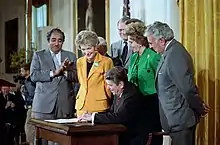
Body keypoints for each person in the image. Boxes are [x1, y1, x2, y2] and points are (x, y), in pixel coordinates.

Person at [146, 21, 209, 145]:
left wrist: (199, 107)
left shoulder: (176, 54)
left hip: (181, 120)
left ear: (162, 41)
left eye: (151, 43)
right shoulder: (169, 52)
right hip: (175, 120)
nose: (151, 47)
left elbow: (187, 88)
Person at [79, 66, 152, 145]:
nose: (108, 88)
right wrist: (93, 115)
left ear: (120, 84)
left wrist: (94, 117)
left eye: (110, 85)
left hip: (134, 138)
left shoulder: (131, 96)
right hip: (122, 135)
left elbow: (119, 117)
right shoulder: (119, 91)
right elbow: (111, 112)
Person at [30, 28, 77, 145]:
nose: (56, 43)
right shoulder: (39, 55)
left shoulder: (70, 56)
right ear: (48, 41)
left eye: (60, 40)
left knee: (62, 141)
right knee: (43, 140)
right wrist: (54, 73)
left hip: (64, 105)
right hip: (44, 106)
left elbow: (77, 77)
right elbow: (33, 76)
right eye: (53, 40)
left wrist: (65, 72)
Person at [125, 20, 163, 145]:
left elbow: (162, 80)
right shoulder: (133, 57)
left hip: (151, 103)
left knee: (150, 138)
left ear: (140, 41)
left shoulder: (153, 56)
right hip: (136, 102)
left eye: (131, 42)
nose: (130, 45)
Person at [75, 30, 113, 116]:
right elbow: (82, 83)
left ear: (95, 46)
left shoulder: (106, 61)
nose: (86, 52)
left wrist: (110, 102)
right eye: (83, 49)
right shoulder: (79, 62)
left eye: (89, 48)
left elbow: (108, 86)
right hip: (81, 106)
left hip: (98, 106)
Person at [20, 63, 36, 145]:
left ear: (27, 71)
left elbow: (32, 94)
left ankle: (31, 143)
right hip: (33, 106)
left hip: (32, 107)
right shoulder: (28, 81)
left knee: (29, 126)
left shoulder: (29, 81)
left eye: (22, 71)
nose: (21, 73)